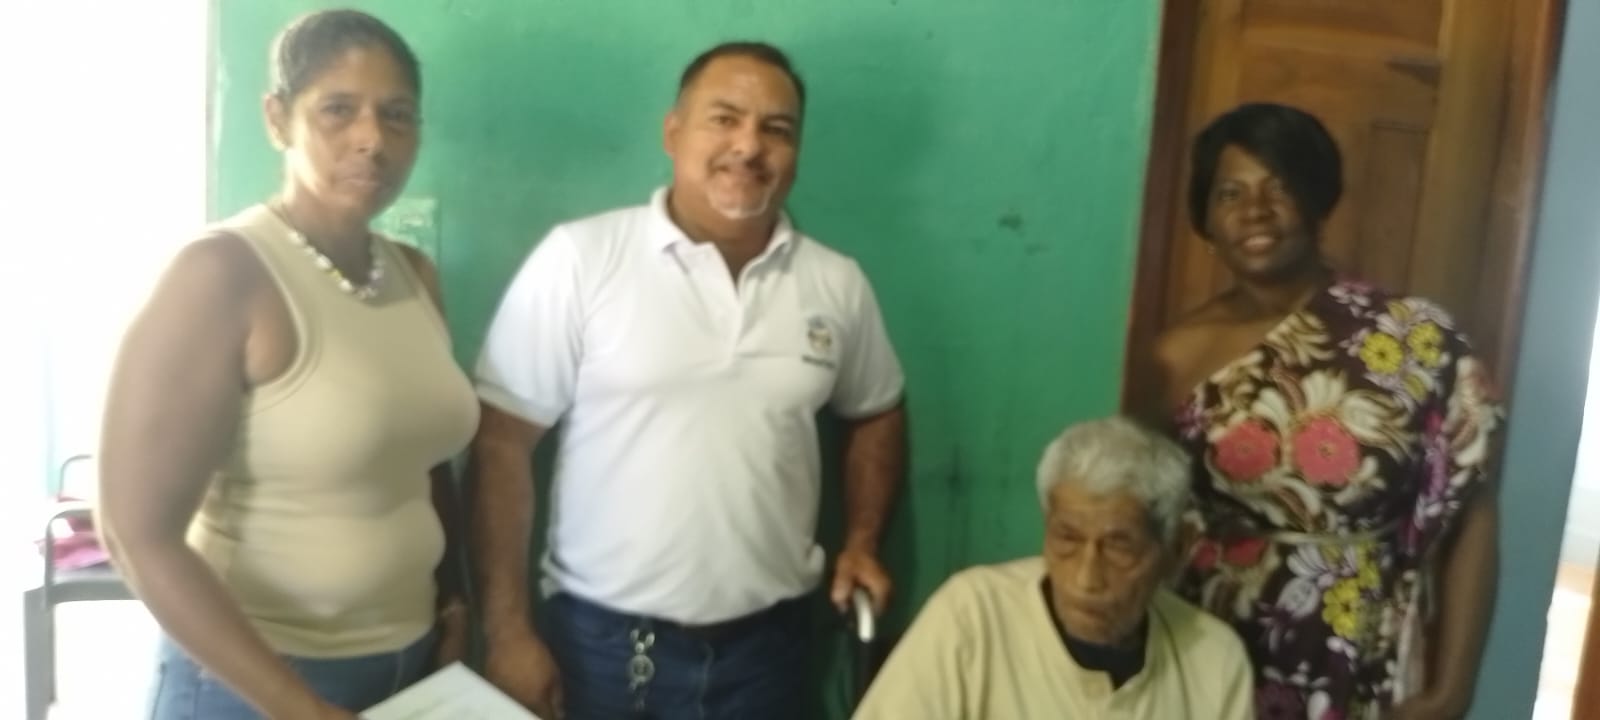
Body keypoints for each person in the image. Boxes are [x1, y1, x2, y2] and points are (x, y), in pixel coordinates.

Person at [470, 41, 907, 720]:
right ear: (673, 133)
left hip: (771, 654)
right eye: (724, 119)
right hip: (602, 653)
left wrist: (863, 541)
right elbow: (500, 443)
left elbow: (876, 408)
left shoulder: (835, 282)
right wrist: (507, 632)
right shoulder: (582, 258)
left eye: (776, 129)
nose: (749, 146)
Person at [96, 10, 476, 719]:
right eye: (338, 109)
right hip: (254, 684)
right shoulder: (220, 274)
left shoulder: (413, 275)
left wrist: (453, 599)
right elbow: (134, 532)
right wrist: (300, 708)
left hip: (410, 667)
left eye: (397, 115)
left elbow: (424, 460)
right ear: (278, 119)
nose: (372, 138)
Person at [1134, 102, 1502, 719]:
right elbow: (1135, 517)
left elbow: (1472, 519)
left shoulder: (1415, 340)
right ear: (1206, 219)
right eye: (1230, 193)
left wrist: (1451, 689)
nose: (1255, 210)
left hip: (1356, 651)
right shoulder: (1168, 358)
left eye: (1279, 187)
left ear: (1317, 200)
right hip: (1207, 646)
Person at [852, 416, 1254, 719]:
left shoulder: (1213, 660)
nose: (1086, 579)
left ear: (1176, 548)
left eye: (1119, 546)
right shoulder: (972, 616)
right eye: (1067, 539)